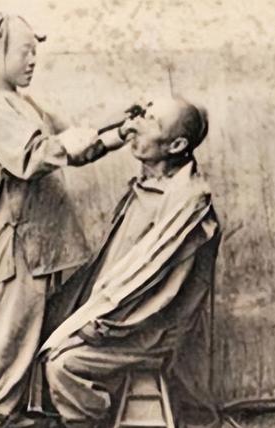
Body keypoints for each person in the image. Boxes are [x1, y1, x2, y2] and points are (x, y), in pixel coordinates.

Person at [0, 12, 129, 427]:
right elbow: (32, 157)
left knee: (28, 335)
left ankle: (12, 416)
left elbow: (75, 148)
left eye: (35, 52)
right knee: (7, 339)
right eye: (25, 51)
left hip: (39, 244)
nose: (33, 60)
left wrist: (118, 134)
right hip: (16, 244)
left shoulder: (24, 103)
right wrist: (68, 142)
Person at [41, 96, 221, 428]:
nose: (135, 125)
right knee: (38, 330)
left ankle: (89, 422)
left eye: (150, 121)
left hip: (147, 328)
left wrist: (98, 326)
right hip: (118, 314)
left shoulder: (188, 204)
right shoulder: (147, 186)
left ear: (177, 145)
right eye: (142, 114)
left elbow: (151, 287)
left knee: (61, 364)